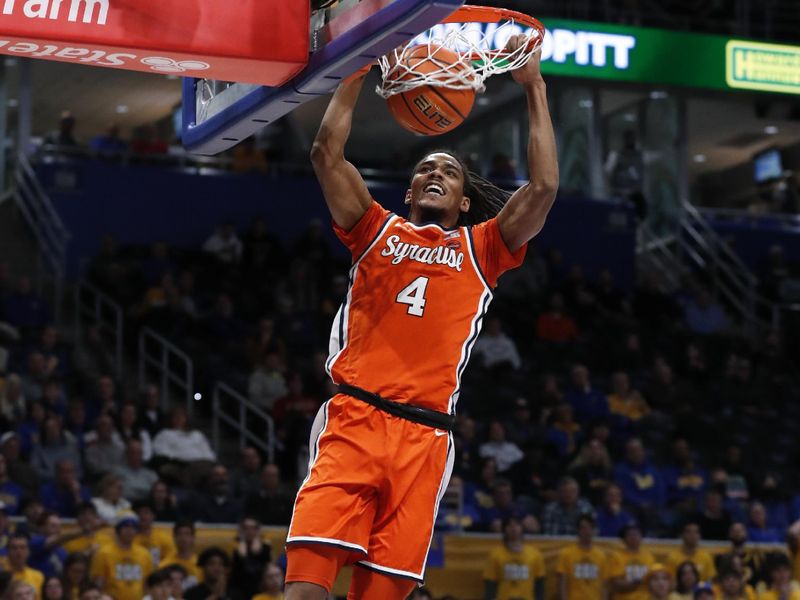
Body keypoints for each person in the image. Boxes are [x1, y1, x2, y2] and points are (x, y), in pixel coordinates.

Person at [286, 34, 558, 600]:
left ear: (464, 201)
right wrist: (358, 62)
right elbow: (325, 157)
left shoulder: (484, 250)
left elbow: (544, 188)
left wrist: (533, 87)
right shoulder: (374, 229)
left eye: (450, 171)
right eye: (426, 166)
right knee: (306, 591)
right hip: (355, 418)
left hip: (427, 438)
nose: (436, 172)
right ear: (409, 187)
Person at [89, 513, 153, 600]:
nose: (130, 530)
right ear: (118, 529)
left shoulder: (144, 554)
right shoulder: (104, 553)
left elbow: (147, 583)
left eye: (133, 527)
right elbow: (98, 582)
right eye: (126, 526)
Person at [482, 516, 545, 600]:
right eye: (510, 525)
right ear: (504, 529)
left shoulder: (535, 554)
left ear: (522, 528)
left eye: (517, 525)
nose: (513, 528)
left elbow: (539, 583)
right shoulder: (495, 555)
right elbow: (490, 584)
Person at [556, 515, 608, 600]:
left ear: (594, 531)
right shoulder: (566, 554)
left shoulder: (601, 556)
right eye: (583, 528)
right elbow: (562, 584)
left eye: (590, 528)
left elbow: (604, 586)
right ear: (578, 531)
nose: (587, 531)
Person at [608, 522, 655, 600]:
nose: (633, 537)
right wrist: (637, 583)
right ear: (624, 538)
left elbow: (652, 582)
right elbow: (616, 584)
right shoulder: (616, 556)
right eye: (630, 535)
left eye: (636, 534)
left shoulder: (648, 557)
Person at [230, 517, 272, 599]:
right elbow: (241, 557)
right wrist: (242, 540)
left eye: (253, 528)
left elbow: (269, 566)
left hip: (260, 587)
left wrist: (257, 538)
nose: (250, 531)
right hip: (239, 587)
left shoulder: (266, 547)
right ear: (241, 530)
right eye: (246, 528)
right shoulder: (235, 545)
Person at [159, 521, 202, 590]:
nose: (183, 538)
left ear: (193, 538)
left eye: (187, 534)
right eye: (180, 534)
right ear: (174, 538)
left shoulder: (201, 565)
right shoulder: (164, 565)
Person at [133, 502, 175, 567]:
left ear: (153, 516)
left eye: (146, 512)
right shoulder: (129, 537)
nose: (142, 516)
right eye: (138, 513)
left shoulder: (163, 537)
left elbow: (171, 558)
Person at [6, 533, 45, 599]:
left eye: (22, 547)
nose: (19, 551)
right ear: (8, 551)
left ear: (28, 551)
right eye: (14, 548)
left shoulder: (38, 576)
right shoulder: (2, 575)